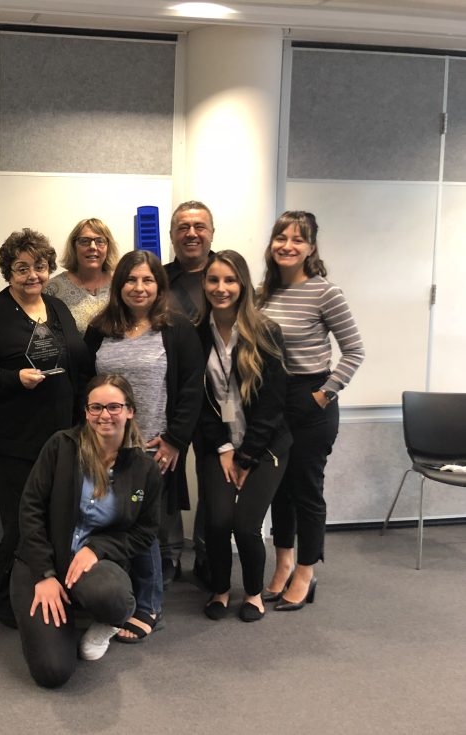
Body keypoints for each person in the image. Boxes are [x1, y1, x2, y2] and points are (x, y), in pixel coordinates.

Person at [0, 228, 89, 628]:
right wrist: (14, 379)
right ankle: (1, 597)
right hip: (13, 439)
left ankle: (42, 588)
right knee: (21, 520)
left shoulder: (57, 308)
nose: (33, 275)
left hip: (61, 434)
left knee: (52, 516)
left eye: (40, 266)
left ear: (50, 268)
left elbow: (76, 363)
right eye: (21, 268)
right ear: (8, 271)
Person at [11, 375, 161, 688]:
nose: (105, 415)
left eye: (114, 407)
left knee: (113, 597)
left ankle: (106, 620)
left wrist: (98, 548)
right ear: (86, 411)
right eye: (96, 407)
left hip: (95, 564)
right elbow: (31, 510)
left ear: (130, 411)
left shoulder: (144, 468)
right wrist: (44, 575)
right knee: (52, 672)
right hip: (41, 561)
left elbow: (145, 533)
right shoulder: (61, 446)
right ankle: (59, 606)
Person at [84, 250, 203, 641]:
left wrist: (174, 440)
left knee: (142, 528)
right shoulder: (100, 329)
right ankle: (116, 598)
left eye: (147, 280)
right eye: (131, 280)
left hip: (151, 447)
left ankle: (149, 606)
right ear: (118, 285)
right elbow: (85, 386)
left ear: (159, 285)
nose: (139, 288)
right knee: (108, 521)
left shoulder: (176, 329)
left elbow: (190, 389)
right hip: (103, 443)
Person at [257, 211, 364, 611]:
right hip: (273, 399)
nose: (287, 245)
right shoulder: (262, 292)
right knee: (277, 488)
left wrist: (324, 394)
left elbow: (354, 351)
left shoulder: (325, 292)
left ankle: (306, 569)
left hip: (311, 400)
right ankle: (283, 562)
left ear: (311, 248)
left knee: (305, 489)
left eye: (297, 240)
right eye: (280, 237)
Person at [195, 250, 291, 622]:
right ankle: (220, 589)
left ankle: (253, 593)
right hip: (218, 443)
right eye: (214, 280)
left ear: (243, 285)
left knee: (246, 525)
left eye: (230, 280)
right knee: (217, 522)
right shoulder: (194, 334)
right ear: (204, 284)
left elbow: (273, 403)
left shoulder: (265, 331)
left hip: (265, 445)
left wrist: (247, 456)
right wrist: (222, 449)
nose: (221, 288)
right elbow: (197, 401)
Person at [164, 200, 217, 587]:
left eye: (199, 226)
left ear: (212, 233)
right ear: (172, 235)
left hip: (220, 400)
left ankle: (206, 552)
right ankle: (167, 556)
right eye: (183, 227)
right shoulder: (157, 279)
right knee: (165, 478)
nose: (191, 233)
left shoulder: (226, 274)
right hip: (171, 398)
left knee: (214, 478)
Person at [44, 218, 120, 334]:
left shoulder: (121, 283)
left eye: (100, 241)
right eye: (85, 241)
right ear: (74, 246)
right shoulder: (53, 289)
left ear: (108, 247)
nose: (93, 247)